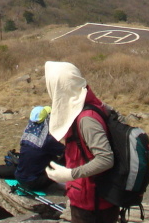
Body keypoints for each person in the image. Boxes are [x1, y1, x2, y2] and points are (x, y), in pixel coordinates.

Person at [43, 61, 118, 223]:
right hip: (94, 198)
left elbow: (105, 159)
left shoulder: (87, 119)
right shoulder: (93, 106)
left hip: (93, 206)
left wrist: (70, 174)